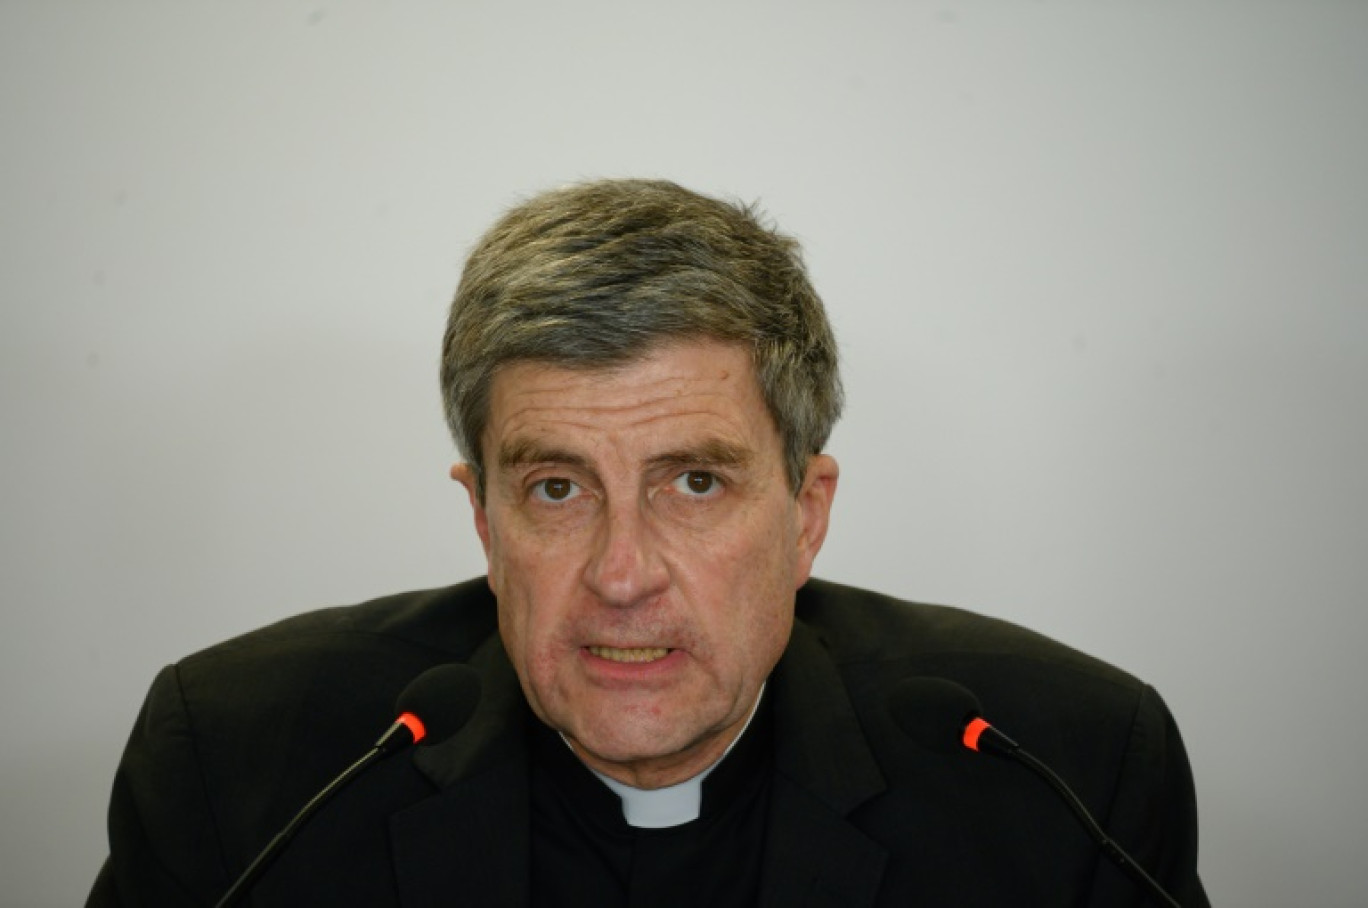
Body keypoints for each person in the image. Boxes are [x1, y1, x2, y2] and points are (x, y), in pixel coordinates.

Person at [87, 179, 1209, 907]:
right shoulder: (240, 768)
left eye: (696, 480)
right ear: (484, 519)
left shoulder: (1061, 775)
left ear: (806, 512)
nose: (622, 575)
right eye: (559, 486)